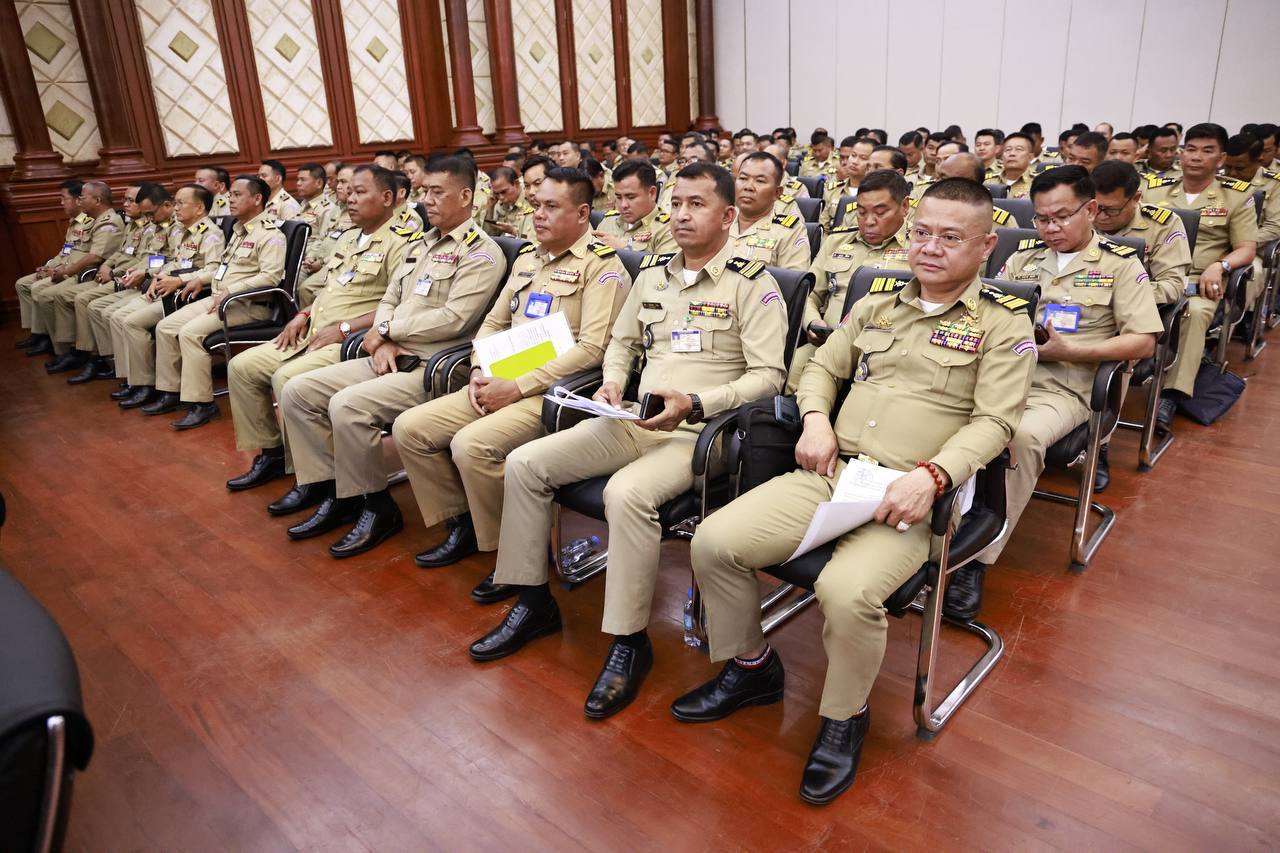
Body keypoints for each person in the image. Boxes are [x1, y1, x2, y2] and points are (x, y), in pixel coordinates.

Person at [677, 178, 1036, 805]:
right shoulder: (877, 303)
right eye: (922, 233)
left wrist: (933, 476)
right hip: (834, 472)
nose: (930, 248)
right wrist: (816, 419)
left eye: (951, 238)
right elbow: (822, 366)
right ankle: (752, 667)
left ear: (986, 248)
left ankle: (843, 718)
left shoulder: (1004, 325)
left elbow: (996, 423)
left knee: (846, 591)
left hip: (916, 492)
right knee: (713, 541)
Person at [470, 161, 788, 718]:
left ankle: (628, 641)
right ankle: (533, 600)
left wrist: (697, 403)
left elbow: (769, 378)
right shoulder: (655, 272)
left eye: (697, 205)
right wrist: (614, 381)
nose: (682, 215)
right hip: (636, 418)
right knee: (526, 463)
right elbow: (621, 343)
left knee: (626, 494)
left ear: (727, 217)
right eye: (677, 203)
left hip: (702, 432)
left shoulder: (753, 283)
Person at [390, 167, 632, 577]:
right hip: (498, 377)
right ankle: (466, 523)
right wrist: (478, 368)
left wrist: (517, 386)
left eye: (551, 206)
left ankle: (516, 554)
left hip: (552, 393)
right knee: (410, 429)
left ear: (582, 214)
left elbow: (593, 350)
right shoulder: (527, 257)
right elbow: (493, 322)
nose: (539, 214)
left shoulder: (602, 268)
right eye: (536, 205)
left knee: (471, 447)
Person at [950, 165, 1162, 620]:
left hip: (1065, 387)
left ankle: (973, 561)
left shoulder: (1121, 265)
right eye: (1042, 218)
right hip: (1001, 374)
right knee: (938, 409)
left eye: (1062, 217)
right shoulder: (1022, 260)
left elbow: (1143, 341)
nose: (1050, 228)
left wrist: (1074, 351)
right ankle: (931, 536)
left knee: (1019, 437)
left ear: (1091, 210)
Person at [272, 158, 510, 557]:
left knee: (347, 406)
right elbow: (388, 299)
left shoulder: (481, 253)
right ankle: (338, 493)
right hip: (388, 355)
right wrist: (382, 338)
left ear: (466, 196)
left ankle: (377, 507)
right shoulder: (419, 245)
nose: (427, 200)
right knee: (298, 390)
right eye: (425, 191)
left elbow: (454, 319)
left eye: (438, 192)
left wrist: (387, 331)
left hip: (433, 367)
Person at [223, 165, 412, 517]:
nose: (350, 199)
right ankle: (273, 454)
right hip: (312, 331)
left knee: (287, 380)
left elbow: (398, 305)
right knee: (242, 367)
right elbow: (330, 290)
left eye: (360, 192)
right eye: (349, 192)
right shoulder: (349, 238)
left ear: (387, 198)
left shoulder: (403, 242)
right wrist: (303, 314)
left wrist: (343, 329)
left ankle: (321, 481)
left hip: (351, 340)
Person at [135, 176, 286, 428]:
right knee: (166, 327)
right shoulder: (239, 231)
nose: (230, 200)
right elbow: (221, 268)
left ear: (257, 199)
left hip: (247, 305)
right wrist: (197, 280)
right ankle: (171, 392)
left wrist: (231, 290)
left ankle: (202, 405)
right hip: (220, 299)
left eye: (237, 195)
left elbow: (271, 277)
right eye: (231, 195)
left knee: (190, 334)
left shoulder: (270, 235)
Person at [1142, 123, 1257, 429]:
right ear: (1181, 154)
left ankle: (1171, 394)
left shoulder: (1235, 197)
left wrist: (1221, 266)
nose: (1196, 157)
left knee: (1192, 314)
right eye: (1191, 149)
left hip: (1199, 281)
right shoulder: (1154, 189)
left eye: (1207, 151)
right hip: (1154, 276)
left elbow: (1246, 248)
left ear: (1221, 159)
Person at [788, 169, 913, 389]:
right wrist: (813, 322)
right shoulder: (837, 242)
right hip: (827, 344)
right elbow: (810, 295)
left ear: (904, 206)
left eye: (880, 212)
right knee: (790, 373)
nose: (869, 221)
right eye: (861, 212)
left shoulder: (920, 249)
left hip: (887, 353)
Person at [113, 185, 227, 408]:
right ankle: (139, 381)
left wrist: (180, 280)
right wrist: (156, 275)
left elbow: (213, 270)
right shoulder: (183, 231)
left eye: (181, 203)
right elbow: (176, 262)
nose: (175, 208)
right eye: (175, 203)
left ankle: (153, 386)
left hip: (186, 294)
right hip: (167, 289)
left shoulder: (210, 234)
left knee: (135, 323)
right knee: (121, 317)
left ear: (199, 208)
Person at [35, 182, 125, 373]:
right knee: (53, 294)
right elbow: (73, 251)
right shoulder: (93, 220)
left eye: (82, 198)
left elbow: (95, 257)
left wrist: (65, 271)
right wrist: (55, 266)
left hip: (98, 275)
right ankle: (73, 349)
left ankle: (84, 352)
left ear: (97, 200)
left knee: (68, 297)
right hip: (95, 273)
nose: (79, 201)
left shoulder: (108, 222)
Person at [1092, 160, 1191, 307]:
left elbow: (1173, 286)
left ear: (1136, 199)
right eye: (1096, 208)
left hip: (1136, 307)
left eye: (1112, 210)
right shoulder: (1079, 217)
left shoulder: (1163, 225)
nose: (1101, 216)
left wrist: (1120, 293)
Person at [727, 152, 810, 269]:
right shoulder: (719, 219)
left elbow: (792, 279)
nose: (748, 187)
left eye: (760, 181)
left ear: (777, 193)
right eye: (743, 178)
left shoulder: (790, 232)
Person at [296, 165, 357, 310]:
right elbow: (322, 238)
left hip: (337, 263)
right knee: (293, 280)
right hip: (318, 261)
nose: (338, 186)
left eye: (344, 182)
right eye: (338, 182)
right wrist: (311, 257)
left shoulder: (357, 210)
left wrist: (322, 263)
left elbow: (349, 247)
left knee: (306, 288)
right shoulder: (337, 209)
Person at [592, 159, 676, 253]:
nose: (623, 205)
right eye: (619, 197)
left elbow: (666, 262)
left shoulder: (668, 229)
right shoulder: (608, 222)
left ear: (652, 193)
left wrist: (625, 249)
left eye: (631, 197)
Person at [819, 136, 874, 231]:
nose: (855, 162)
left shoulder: (877, 194)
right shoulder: (832, 190)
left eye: (863, 158)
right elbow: (824, 228)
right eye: (853, 155)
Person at [485, 165, 533, 238]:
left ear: (516, 184)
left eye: (504, 192)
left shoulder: (531, 202)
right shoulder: (497, 203)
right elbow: (489, 236)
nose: (501, 197)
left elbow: (532, 240)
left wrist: (512, 231)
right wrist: (490, 207)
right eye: (497, 193)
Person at [999, 132, 1036, 198]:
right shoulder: (987, 181)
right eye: (1008, 149)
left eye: (1019, 149)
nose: (1012, 154)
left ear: (1031, 157)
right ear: (1001, 156)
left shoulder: (1038, 182)